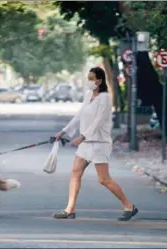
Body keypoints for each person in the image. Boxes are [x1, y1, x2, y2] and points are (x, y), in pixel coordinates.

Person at [53, 67, 138, 221]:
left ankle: (129, 206)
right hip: (86, 144)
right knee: (75, 173)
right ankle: (69, 209)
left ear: (99, 80)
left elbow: (99, 121)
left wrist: (83, 136)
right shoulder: (88, 95)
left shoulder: (105, 98)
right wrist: (64, 132)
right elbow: (79, 116)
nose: (89, 81)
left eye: (91, 78)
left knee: (104, 179)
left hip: (99, 143)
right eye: (88, 78)